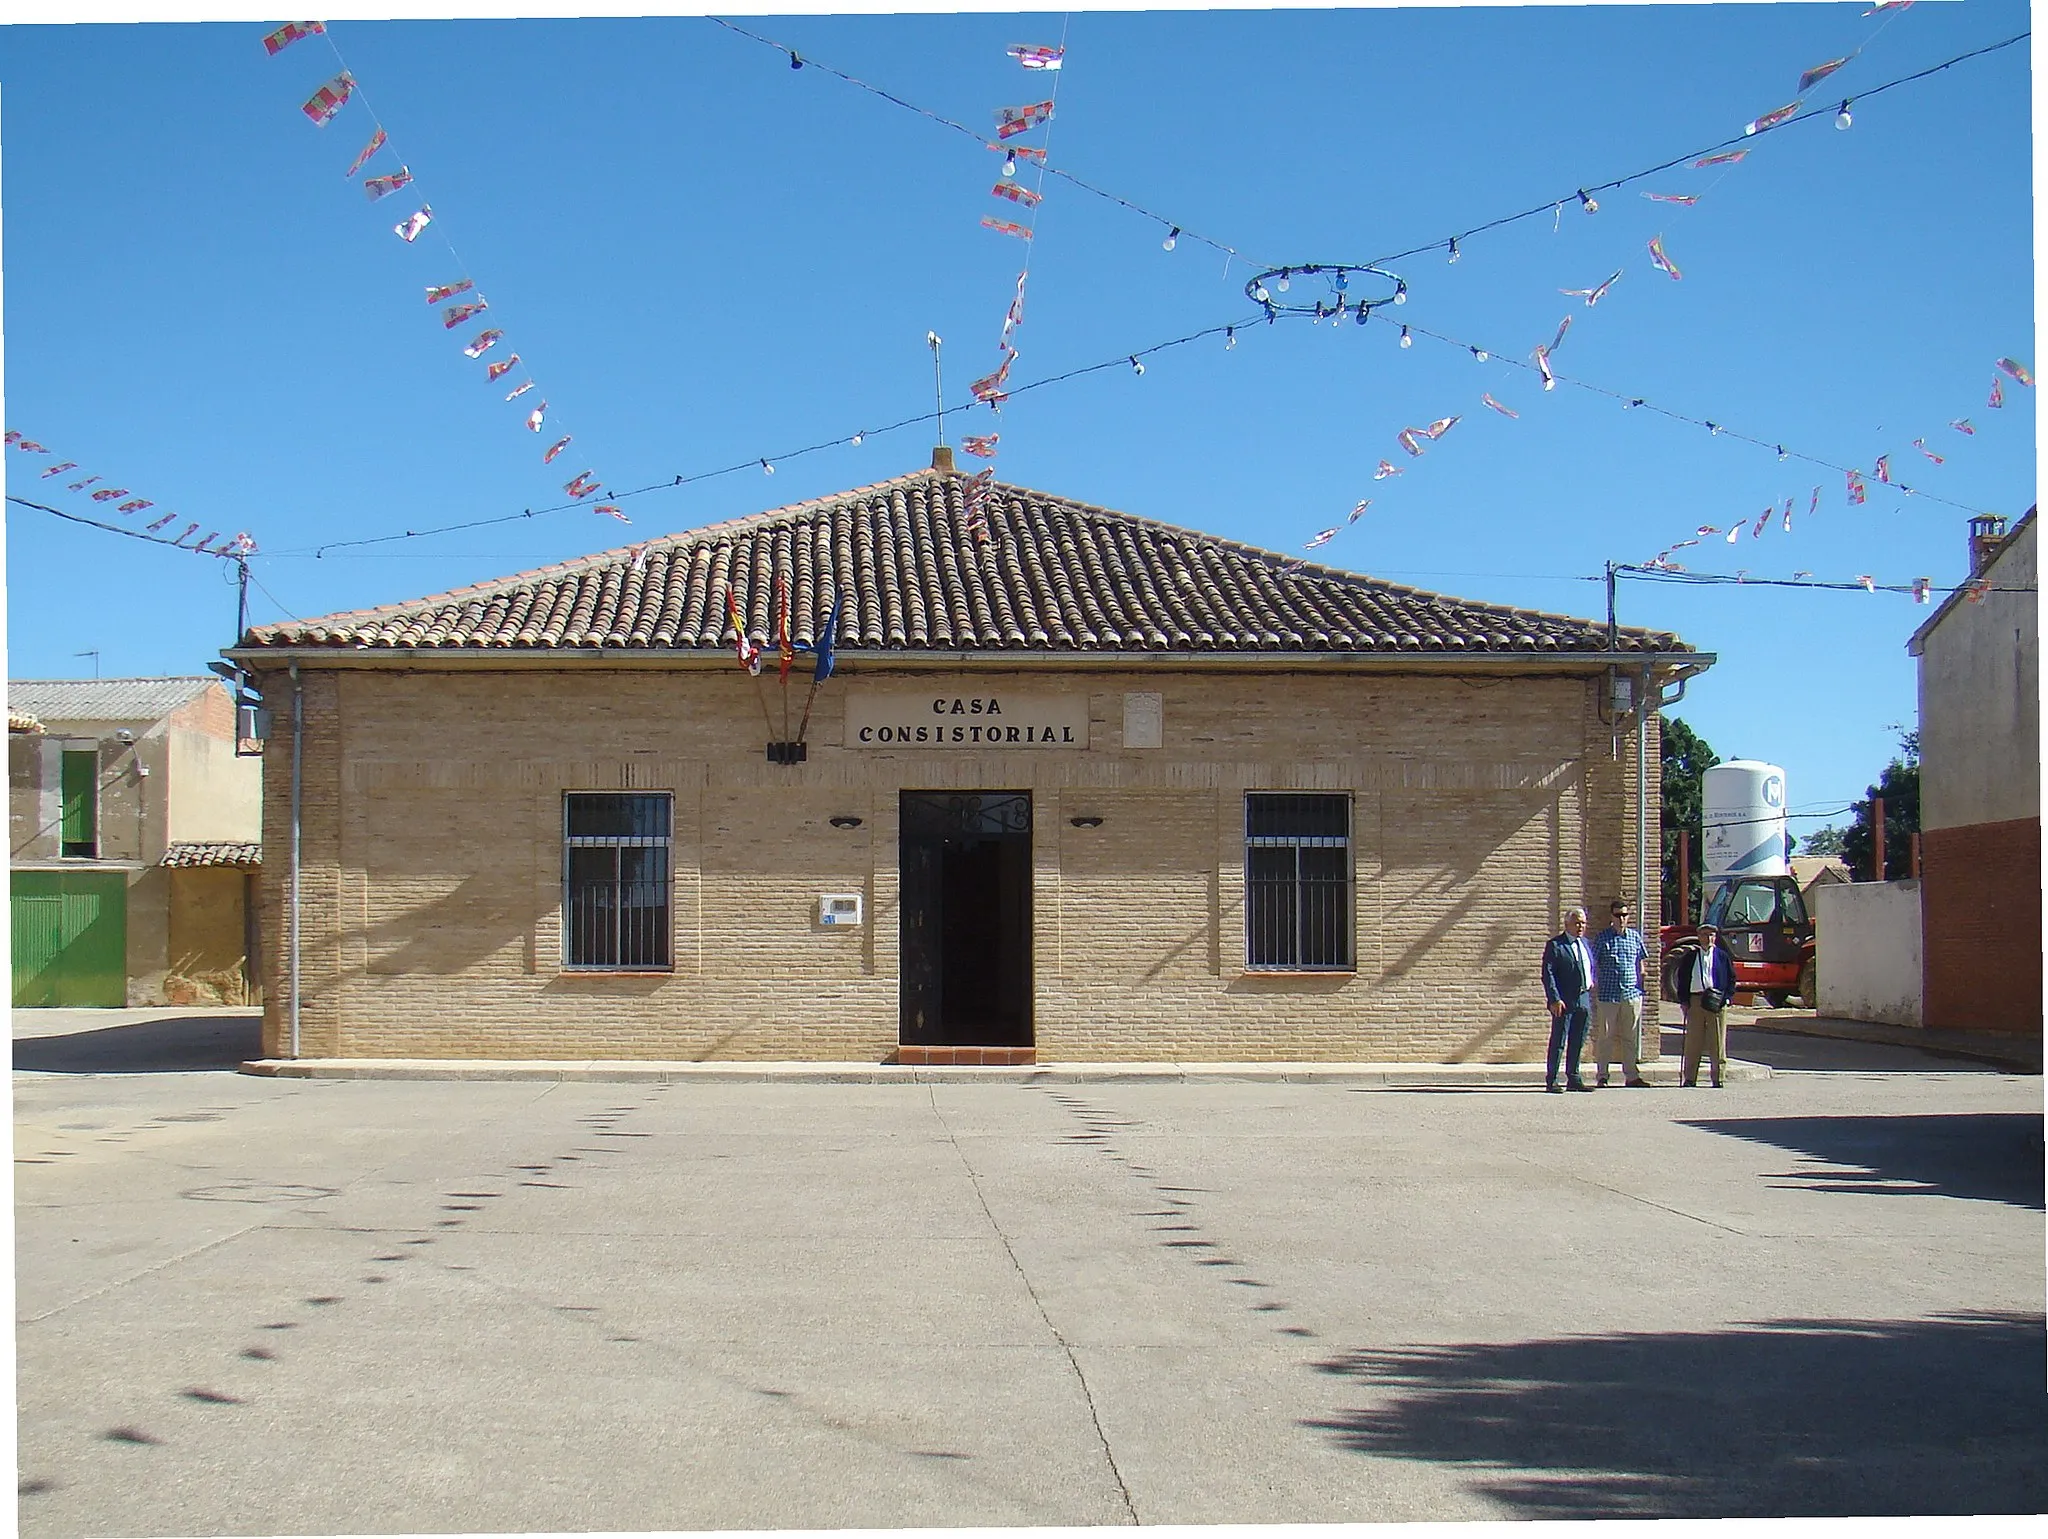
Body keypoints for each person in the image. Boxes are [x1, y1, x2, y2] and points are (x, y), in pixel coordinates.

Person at [1592, 900, 1650, 1088]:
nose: (1621, 919)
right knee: (1606, 1037)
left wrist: (1641, 987)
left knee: (1630, 1036)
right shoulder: (1603, 938)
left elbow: (1641, 963)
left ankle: (1632, 1076)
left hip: (1631, 994)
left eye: (1624, 915)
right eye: (1618, 915)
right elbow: (1594, 964)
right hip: (1608, 995)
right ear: (1612, 917)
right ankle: (1602, 1075)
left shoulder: (1634, 937)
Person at [1540, 907, 1598, 1093]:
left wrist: (1590, 982)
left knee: (1578, 1039)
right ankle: (1552, 1079)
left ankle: (1574, 1077)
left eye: (1583, 923)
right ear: (1567, 925)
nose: (1581, 926)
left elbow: (1589, 966)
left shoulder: (1585, 944)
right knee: (1559, 1040)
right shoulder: (1556, 945)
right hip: (1564, 1000)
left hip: (1583, 998)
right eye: (1577, 923)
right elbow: (1548, 974)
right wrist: (1554, 998)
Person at [1676, 921, 1737, 1088]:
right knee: (1693, 1041)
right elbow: (1682, 979)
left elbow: (1732, 979)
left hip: (1716, 1001)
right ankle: (1690, 1078)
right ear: (1699, 936)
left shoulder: (1722, 956)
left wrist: (1727, 998)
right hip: (1695, 1000)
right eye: (1704, 934)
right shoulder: (1690, 956)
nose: (1708, 938)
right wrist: (1684, 1001)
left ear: (1715, 937)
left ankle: (1718, 1078)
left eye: (1711, 935)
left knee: (1717, 1041)